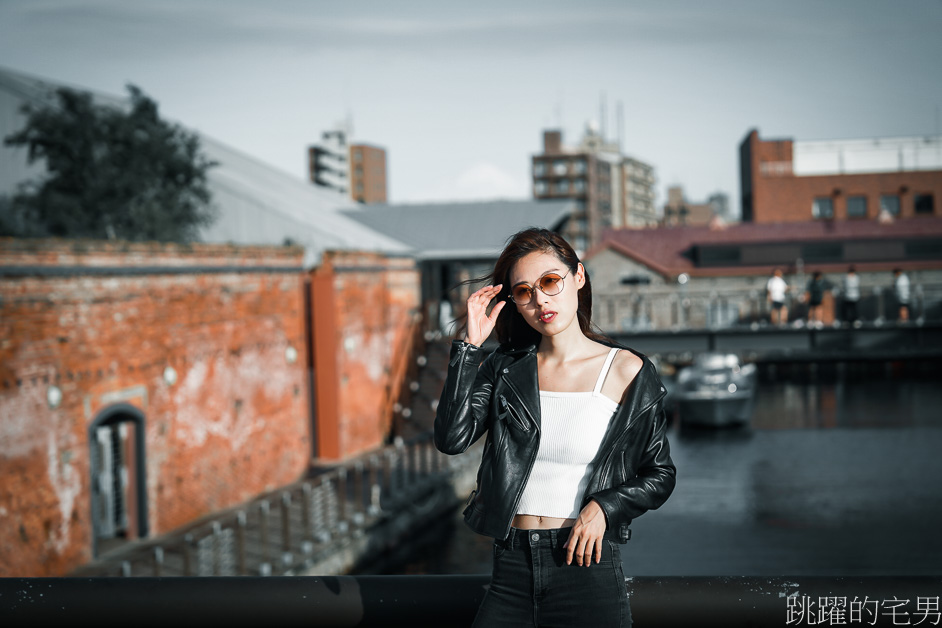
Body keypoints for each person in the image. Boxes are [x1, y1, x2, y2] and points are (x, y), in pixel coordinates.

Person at [434, 228, 675, 627]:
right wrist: (469, 349)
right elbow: (451, 439)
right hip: (510, 567)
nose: (540, 300)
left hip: (585, 565)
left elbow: (660, 473)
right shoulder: (505, 368)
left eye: (549, 281)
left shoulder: (627, 370)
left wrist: (606, 507)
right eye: (524, 291)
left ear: (578, 277)